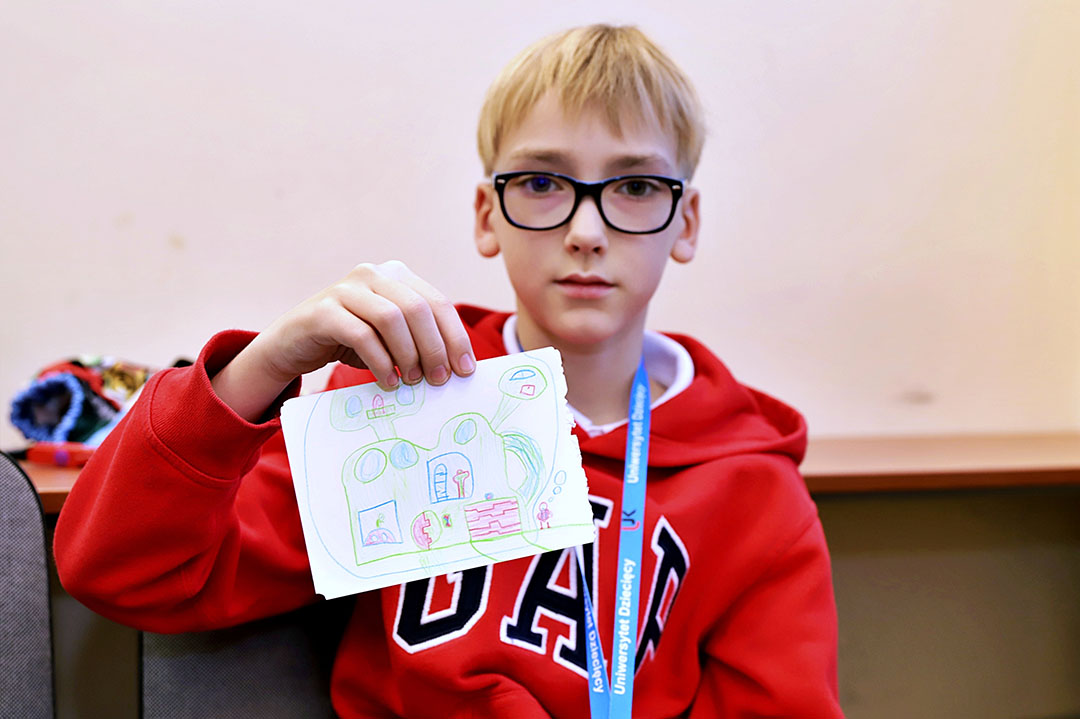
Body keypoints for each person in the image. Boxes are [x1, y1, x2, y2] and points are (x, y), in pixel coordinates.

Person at [54, 24, 843, 718]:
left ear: (686, 220)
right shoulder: (400, 402)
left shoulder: (753, 491)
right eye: (542, 182)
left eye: (635, 186)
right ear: (486, 215)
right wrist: (269, 360)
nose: (587, 229)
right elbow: (124, 570)